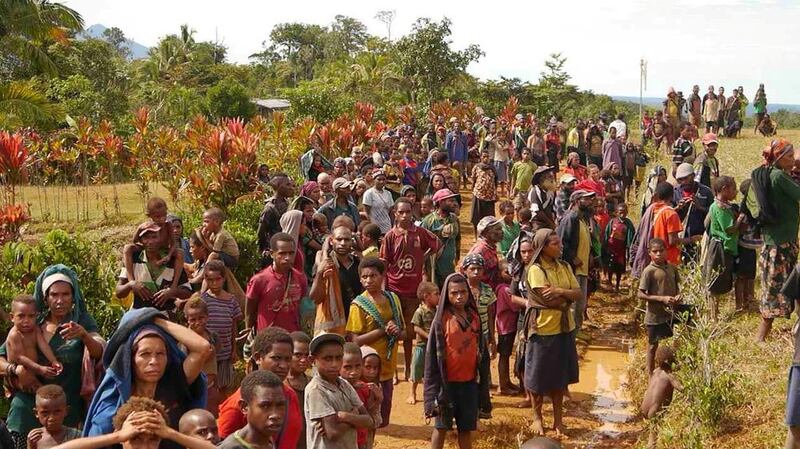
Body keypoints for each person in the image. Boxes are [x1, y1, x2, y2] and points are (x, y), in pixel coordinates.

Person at [0, 265, 105, 448]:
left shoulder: (82, 322)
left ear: (73, 297)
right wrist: (15, 369)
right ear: (45, 298)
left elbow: (99, 352)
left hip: (65, 413)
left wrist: (84, 336)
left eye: (65, 294)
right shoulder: (31, 322)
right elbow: (3, 356)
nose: (60, 300)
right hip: (27, 411)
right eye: (54, 295)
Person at [83, 307, 211, 447]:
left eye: (160, 354)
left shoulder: (174, 384)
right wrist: (120, 436)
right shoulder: (114, 401)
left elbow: (203, 347)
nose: (154, 361)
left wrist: (153, 319)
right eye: (145, 354)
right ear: (130, 359)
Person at [523, 229, 582, 436]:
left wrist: (560, 292)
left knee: (560, 377)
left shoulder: (564, 266)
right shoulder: (536, 270)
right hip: (543, 328)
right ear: (543, 247)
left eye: (559, 243)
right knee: (537, 378)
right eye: (555, 244)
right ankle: (537, 418)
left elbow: (577, 293)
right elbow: (547, 300)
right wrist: (567, 298)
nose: (560, 246)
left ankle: (558, 421)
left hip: (564, 328)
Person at [424, 273, 488, 449]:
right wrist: (430, 397)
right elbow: (431, 360)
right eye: (454, 293)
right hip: (447, 385)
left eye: (463, 292)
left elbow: (483, 354)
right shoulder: (441, 320)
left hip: (468, 383)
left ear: (469, 293)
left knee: (466, 429)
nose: (459, 296)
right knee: (441, 427)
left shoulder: (474, 318)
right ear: (447, 295)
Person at [381, 198, 440, 381]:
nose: (405, 215)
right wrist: (384, 290)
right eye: (401, 212)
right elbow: (384, 263)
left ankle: (409, 369)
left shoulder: (420, 233)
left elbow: (437, 245)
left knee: (409, 331)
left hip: (414, 290)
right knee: (393, 331)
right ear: (395, 214)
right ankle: (394, 372)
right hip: (395, 289)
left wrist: (423, 257)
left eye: (408, 212)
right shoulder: (391, 236)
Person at [217, 327, 302, 449]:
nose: (283, 365)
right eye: (276, 358)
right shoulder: (237, 404)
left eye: (288, 359)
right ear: (257, 358)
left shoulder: (290, 395)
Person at [346, 258, 405, 428]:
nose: (369, 280)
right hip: (368, 371)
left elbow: (404, 333)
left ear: (382, 276)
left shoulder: (393, 299)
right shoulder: (358, 305)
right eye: (364, 277)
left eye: (373, 276)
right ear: (360, 279)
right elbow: (356, 340)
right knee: (368, 417)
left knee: (382, 418)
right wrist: (383, 330)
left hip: (387, 368)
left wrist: (396, 331)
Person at [757, 139, 800, 342]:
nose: (793, 160)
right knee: (775, 289)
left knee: (785, 285)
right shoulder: (779, 177)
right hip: (780, 244)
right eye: (790, 156)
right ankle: (760, 338)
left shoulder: (773, 173)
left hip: (780, 240)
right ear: (780, 158)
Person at [305, 333, 377, 449]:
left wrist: (345, 417)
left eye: (338, 358)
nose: (334, 364)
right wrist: (354, 416)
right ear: (312, 360)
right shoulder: (316, 390)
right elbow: (333, 433)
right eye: (327, 359)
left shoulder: (344, 384)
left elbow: (369, 421)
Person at [56, 397, 216, 449]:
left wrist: (170, 433)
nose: (145, 447)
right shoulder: (119, 436)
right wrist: (117, 435)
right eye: (136, 438)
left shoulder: (167, 436)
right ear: (122, 440)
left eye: (153, 439)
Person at [637, 238, 684, 375]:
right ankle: (650, 375)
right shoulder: (649, 271)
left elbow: (678, 288)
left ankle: (666, 372)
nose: (658, 254)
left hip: (670, 313)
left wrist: (678, 297)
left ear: (666, 251)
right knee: (652, 346)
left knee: (667, 344)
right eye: (655, 251)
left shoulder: (672, 268)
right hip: (654, 315)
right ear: (649, 253)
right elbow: (640, 294)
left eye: (661, 251)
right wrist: (661, 298)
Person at [247, 233, 308, 334]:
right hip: (268, 338)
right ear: (272, 253)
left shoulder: (300, 278)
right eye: (282, 253)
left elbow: (300, 304)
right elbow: (250, 309)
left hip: (292, 337)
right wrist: (249, 330)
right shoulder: (259, 280)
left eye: (291, 253)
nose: (287, 257)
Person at [309, 221, 362, 335]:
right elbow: (315, 298)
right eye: (339, 239)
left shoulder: (359, 263)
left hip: (356, 324)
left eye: (347, 240)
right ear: (331, 241)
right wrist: (319, 273)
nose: (342, 243)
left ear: (351, 242)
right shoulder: (324, 264)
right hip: (332, 328)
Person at [122, 197, 183, 293]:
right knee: (127, 248)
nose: (162, 219)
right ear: (150, 216)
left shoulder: (168, 225)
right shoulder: (146, 226)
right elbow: (134, 241)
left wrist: (169, 255)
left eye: (164, 216)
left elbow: (173, 243)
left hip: (163, 249)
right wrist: (140, 229)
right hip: (148, 248)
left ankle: (174, 285)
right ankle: (131, 280)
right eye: (158, 217)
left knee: (179, 253)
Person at [461, 254, 496, 419]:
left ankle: (483, 407)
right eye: (472, 269)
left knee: (482, 370)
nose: (475, 272)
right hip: (464, 337)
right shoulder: (460, 290)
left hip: (482, 336)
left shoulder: (488, 290)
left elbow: (490, 315)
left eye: (479, 269)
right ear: (465, 270)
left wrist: (492, 339)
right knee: (467, 371)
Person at [199, 260, 241, 392]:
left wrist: (234, 350)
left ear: (223, 279)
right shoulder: (203, 300)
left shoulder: (231, 300)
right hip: (207, 353)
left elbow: (233, 326)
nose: (215, 283)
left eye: (218, 279)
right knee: (208, 387)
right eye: (211, 280)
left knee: (223, 387)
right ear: (206, 280)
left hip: (225, 353)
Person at [556, 190, 594, 332]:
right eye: (586, 199)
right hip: (573, 268)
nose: (590, 202)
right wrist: (573, 257)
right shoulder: (570, 218)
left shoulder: (582, 218)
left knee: (581, 304)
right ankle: (571, 334)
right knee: (573, 305)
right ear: (577, 201)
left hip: (582, 268)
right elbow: (561, 242)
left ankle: (577, 331)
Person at [706, 176, 744, 319]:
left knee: (720, 277)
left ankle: (714, 312)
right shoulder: (720, 208)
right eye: (733, 189)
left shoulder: (722, 205)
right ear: (724, 189)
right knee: (717, 279)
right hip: (721, 247)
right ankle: (713, 314)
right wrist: (739, 220)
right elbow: (729, 229)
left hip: (722, 246)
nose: (735, 192)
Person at [4, 295, 62, 381]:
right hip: (18, 376)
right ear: (12, 317)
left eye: (31, 316)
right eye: (21, 316)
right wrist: (40, 369)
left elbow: (43, 345)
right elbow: (19, 358)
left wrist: (54, 361)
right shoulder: (15, 335)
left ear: (36, 316)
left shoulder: (35, 329)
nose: (26, 320)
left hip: (34, 370)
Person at [182, 297, 219, 415]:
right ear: (186, 319)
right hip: (194, 390)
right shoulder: (185, 340)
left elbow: (215, 360)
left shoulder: (212, 336)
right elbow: (183, 366)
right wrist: (204, 354)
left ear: (207, 316)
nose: (197, 322)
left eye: (201, 318)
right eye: (193, 319)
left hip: (211, 387)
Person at [340, 343, 382, 449]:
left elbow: (372, 419)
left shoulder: (366, 388)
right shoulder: (334, 389)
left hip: (361, 439)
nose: (353, 372)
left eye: (357, 366)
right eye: (348, 367)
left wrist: (378, 400)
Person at [640, 346, 681, 448]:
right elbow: (682, 388)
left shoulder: (655, 372)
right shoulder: (670, 376)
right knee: (652, 441)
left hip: (644, 408)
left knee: (652, 431)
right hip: (654, 412)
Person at [673, 163, 713, 263]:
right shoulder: (674, 192)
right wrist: (678, 208)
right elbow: (667, 213)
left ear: (693, 176)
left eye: (686, 178)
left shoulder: (705, 191)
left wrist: (700, 207)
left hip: (700, 236)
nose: (683, 182)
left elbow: (713, 212)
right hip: (681, 237)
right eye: (680, 180)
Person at [421, 189, 461, 288]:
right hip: (433, 266)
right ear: (441, 202)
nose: (454, 203)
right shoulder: (428, 221)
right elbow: (421, 246)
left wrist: (457, 257)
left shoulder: (454, 219)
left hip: (449, 266)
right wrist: (423, 272)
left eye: (454, 200)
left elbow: (457, 239)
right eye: (450, 201)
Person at [407, 282, 438, 405]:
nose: (439, 297)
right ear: (426, 296)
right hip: (422, 346)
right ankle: (412, 393)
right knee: (416, 370)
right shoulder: (420, 311)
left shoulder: (437, 311)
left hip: (433, 347)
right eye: (436, 294)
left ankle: (430, 394)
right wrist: (429, 337)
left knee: (431, 371)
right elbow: (416, 328)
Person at [649, 182, 694, 266]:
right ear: (672, 196)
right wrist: (692, 239)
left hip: (655, 257)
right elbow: (673, 241)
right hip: (669, 260)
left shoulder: (653, 209)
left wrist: (676, 208)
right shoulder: (671, 214)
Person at [26, 385, 81, 449]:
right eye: (45, 412)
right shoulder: (35, 438)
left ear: (66, 411)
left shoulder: (76, 436)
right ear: (36, 413)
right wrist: (30, 446)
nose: (52, 418)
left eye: (57, 411)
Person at [257, 173, 295, 260]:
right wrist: (264, 249)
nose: (291, 187)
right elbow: (261, 232)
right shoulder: (270, 208)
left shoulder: (288, 204)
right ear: (278, 187)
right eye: (287, 184)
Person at [467, 217, 506, 290]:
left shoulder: (491, 247)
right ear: (486, 232)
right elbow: (466, 272)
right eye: (498, 229)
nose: (501, 232)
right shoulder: (480, 251)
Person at [287, 331, 311, 449]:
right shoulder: (280, 385)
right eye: (298, 355)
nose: (303, 360)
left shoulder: (313, 383)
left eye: (306, 355)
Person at [605, 203, 635, 292]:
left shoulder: (628, 223)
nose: (622, 214)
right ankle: (610, 283)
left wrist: (629, 248)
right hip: (611, 248)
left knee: (619, 267)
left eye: (624, 212)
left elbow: (631, 237)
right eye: (620, 212)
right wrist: (606, 245)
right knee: (610, 266)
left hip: (621, 250)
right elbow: (607, 234)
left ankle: (617, 285)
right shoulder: (612, 222)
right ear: (617, 213)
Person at [471, 150, 498, 233]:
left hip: (490, 197)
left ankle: (488, 235)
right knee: (476, 217)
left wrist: (494, 192)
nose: (486, 158)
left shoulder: (492, 168)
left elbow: (495, 181)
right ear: (480, 158)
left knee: (489, 219)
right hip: (478, 195)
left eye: (487, 156)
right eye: (484, 156)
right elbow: (473, 180)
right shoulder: (477, 167)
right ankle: (476, 235)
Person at [362, 171, 394, 235]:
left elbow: (391, 211)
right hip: (375, 226)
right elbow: (366, 212)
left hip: (387, 226)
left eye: (384, 179)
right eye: (379, 179)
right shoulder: (369, 193)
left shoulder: (388, 193)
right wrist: (371, 226)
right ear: (374, 180)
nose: (381, 181)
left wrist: (393, 225)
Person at [527, 166, 557, 231]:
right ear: (542, 180)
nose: (552, 179)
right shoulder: (535, 191)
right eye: (549, 177)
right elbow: (537, 211)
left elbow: (553, 207)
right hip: (537, 221)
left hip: (549, 220)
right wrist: (551, 224)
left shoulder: (551, 190)